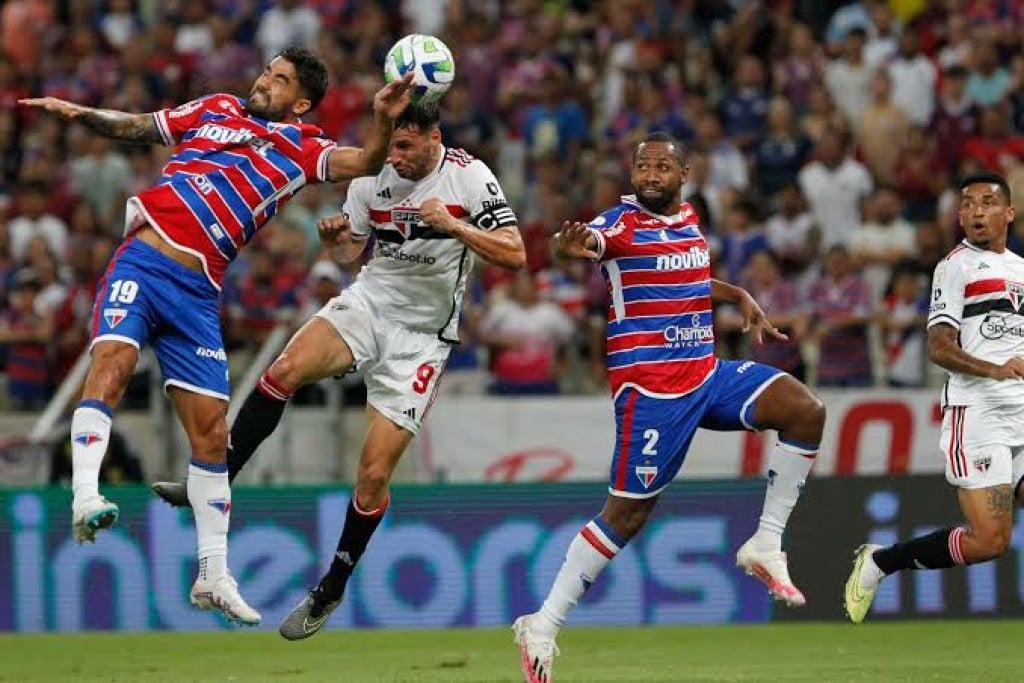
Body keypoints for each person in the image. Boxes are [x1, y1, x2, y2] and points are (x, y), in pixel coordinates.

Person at [18, 47, 413, 626]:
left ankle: (213, 575)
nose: (264, 81)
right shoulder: (216, 107)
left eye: (279, 80)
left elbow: (371, 158)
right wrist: (78, 113)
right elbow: (140, 127)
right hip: (143, 262)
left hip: (200, 291)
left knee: (210, 433)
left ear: (300, 102)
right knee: (112, 366)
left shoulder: (303, 150)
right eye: (266, 71)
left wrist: (382, 116)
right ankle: (85, 495)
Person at [150, 102, 526, 638]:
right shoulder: (372, 179)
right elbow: (353, 251)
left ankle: (332, 585)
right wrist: (339, 243)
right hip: (371, 303)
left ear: (434, 139)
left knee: (372, 476)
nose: (394, 157)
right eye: (390, 146)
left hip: (423, 340)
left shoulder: (470, 178)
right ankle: (217, 476)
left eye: (406, 147)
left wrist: (453, 226)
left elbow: (515, 254)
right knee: (284, 369)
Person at [511, 132, 826, 683]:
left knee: (805, 410)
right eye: (642, 167)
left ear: (685, 174)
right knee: (627, 515)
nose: (650, 175)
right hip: (653, 390)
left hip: (706, 373)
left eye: (662, 167)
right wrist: (572, 244)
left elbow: (682, 272)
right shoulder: (618, 223)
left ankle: (765, 543)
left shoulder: (687, 221)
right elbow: (586, 246)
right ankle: (542, 622)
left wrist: (736, 295)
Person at [845, 170, 1024, 624]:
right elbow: (940, 346)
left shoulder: (1021, 270)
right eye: (967, 203)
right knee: (990, 542)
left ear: (1009, 213)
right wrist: (996, 369)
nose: (976, 210)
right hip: (979, 413)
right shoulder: (955, 266)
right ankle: (882, 561)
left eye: (987, 202)